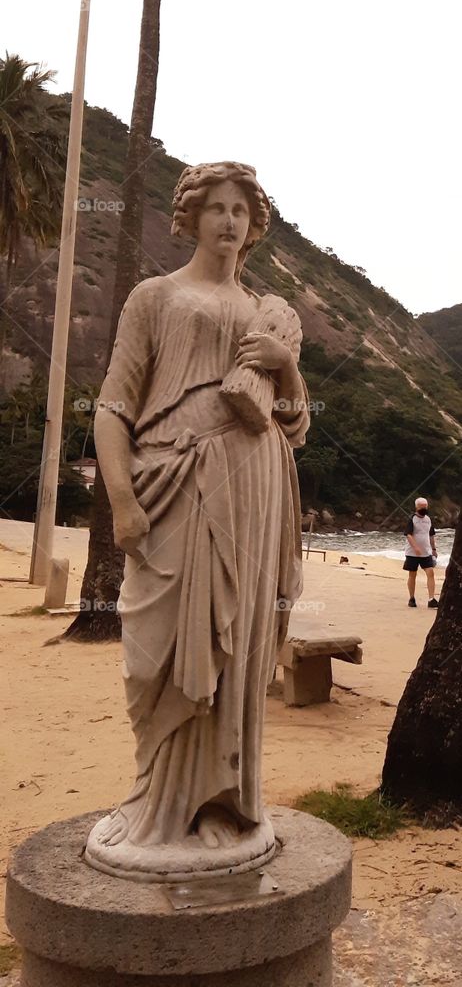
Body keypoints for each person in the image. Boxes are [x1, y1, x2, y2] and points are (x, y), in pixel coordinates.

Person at [86, 161, 308, 879]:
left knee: (236, 650)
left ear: (254, 224)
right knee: (153, 652)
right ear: (190, 216)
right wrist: (122, 498)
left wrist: (286, 366)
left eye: (240, 210)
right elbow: (113, 407)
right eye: (216, 207)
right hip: (174, 484)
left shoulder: (266, 311)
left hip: (255, 487)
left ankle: (221, 803)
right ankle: (156, 800)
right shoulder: (156, 297)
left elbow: (294, 425)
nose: (229, 220)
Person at [403, 497, 439, 608]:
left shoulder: (428, 519)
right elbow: (408, 535)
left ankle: (431, 599)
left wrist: (434, 549)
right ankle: (412, 598)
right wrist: (415, 548)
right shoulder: (412, 519)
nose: (423, 509)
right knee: (412, 574)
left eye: (425, 507)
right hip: (412, 553)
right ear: (416, 507)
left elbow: (431, 535)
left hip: (426, 552)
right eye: (421, 507)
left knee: (430, 572)